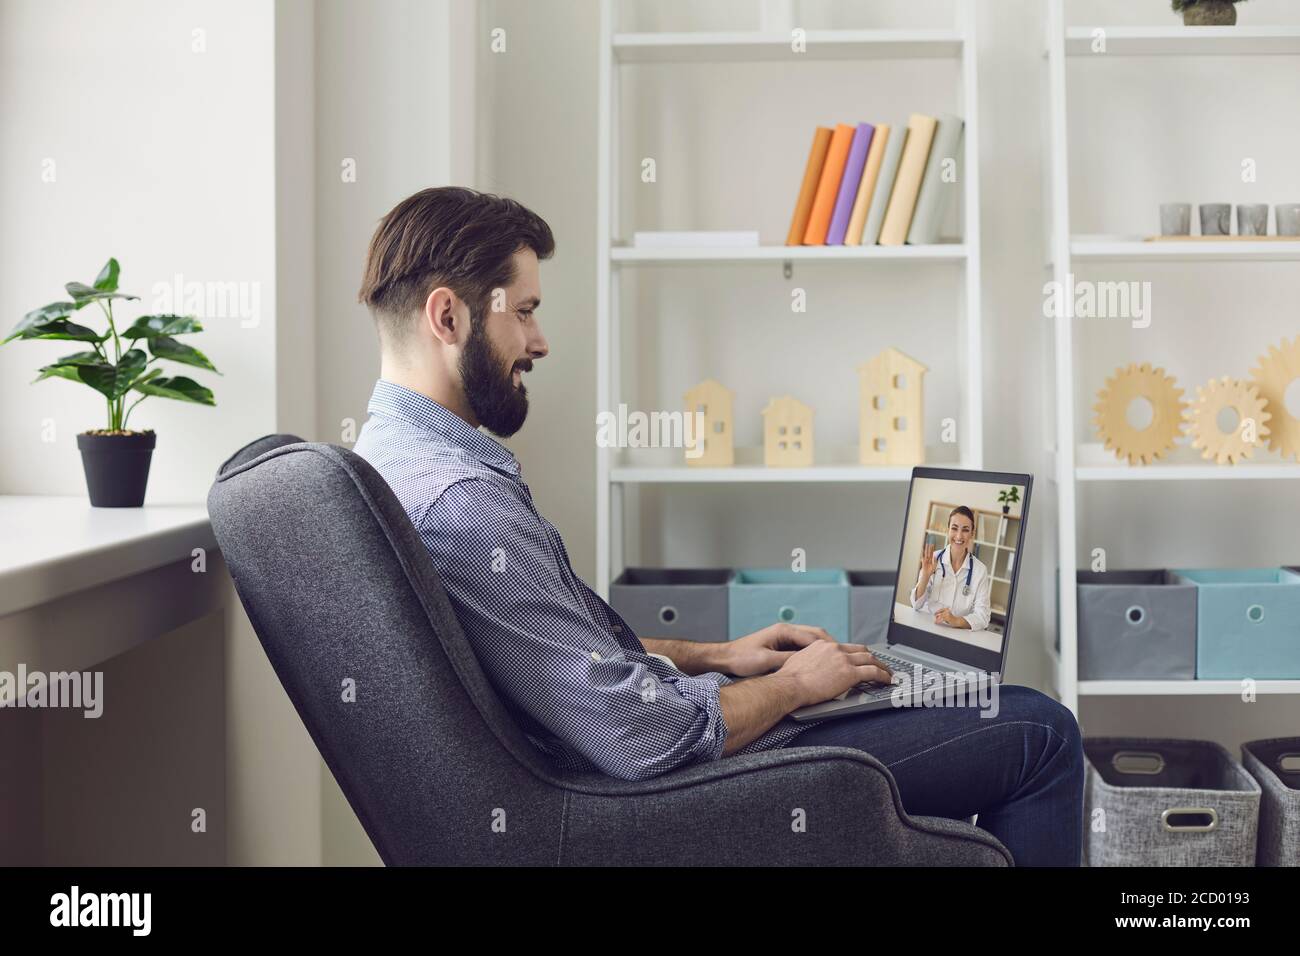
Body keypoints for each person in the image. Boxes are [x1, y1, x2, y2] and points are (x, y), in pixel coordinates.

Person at [351, 186, 1084, 866]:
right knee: (1039, 731)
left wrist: (715, 655)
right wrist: (795, 686)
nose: (539, 342)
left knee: (956, 701)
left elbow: (550, 654)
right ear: (448, 317)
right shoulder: (458, 498)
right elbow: (642, 738)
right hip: (648, 798)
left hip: (612, 770)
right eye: (524, 311)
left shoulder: (395, 460)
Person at [911, 505, 993, 631]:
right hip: (929, 628)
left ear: (972, 533)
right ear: (948, 529)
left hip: (959, 636)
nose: (959, 536)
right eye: (954, 528)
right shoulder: (933, 559)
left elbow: (983, 616)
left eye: (965, 530)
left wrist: (955, 620)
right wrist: (925, 576)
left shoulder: (980, 571)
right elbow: (916, 604)